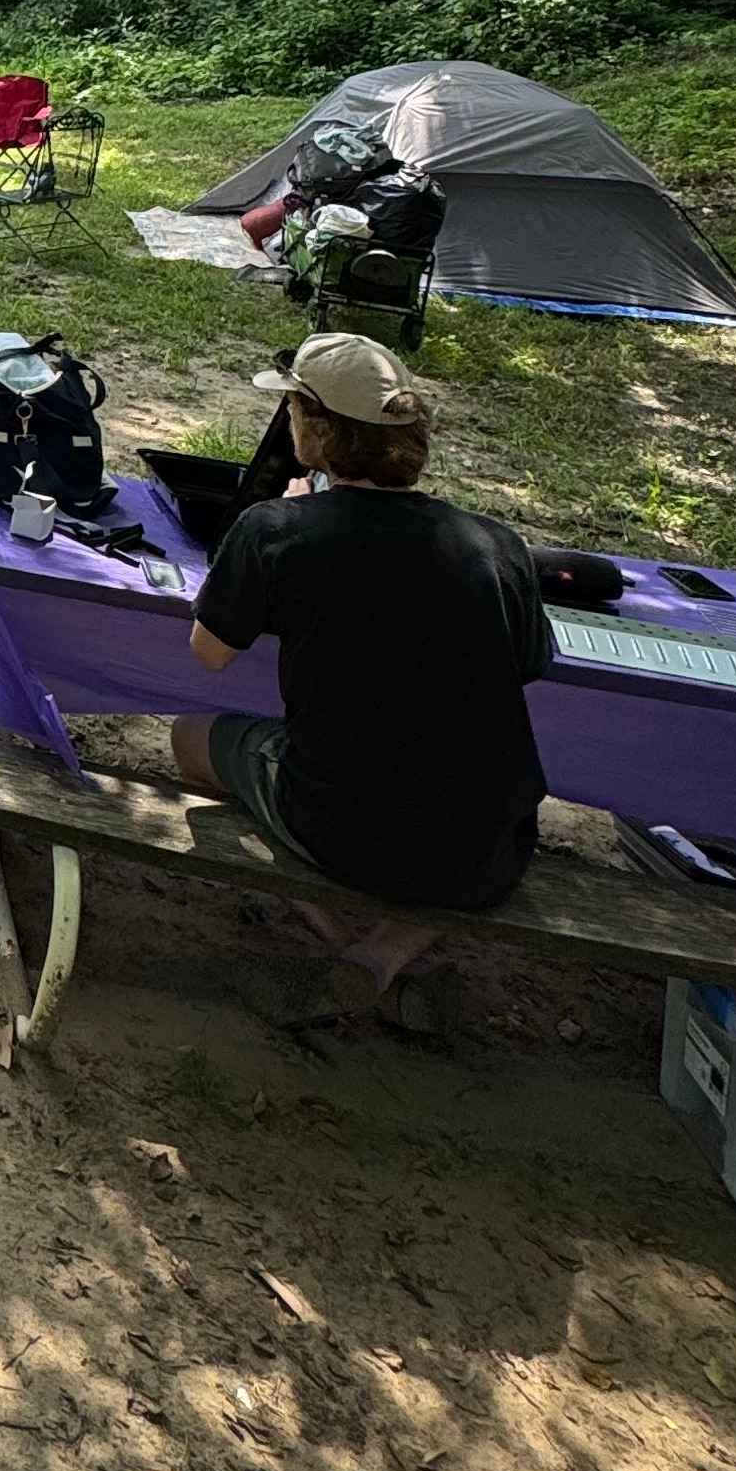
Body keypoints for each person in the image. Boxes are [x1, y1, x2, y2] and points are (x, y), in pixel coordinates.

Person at [173, 330, 551, 1019]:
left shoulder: (277, 529)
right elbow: (526, 664)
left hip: (340, 823)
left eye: (291, 411)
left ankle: (337, 937)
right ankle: (385, 956)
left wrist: (282, 523)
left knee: (190, 740)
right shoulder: (497, 545)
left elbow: (210, 653)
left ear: (317, 434)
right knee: (445, 837)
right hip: (492, 845)